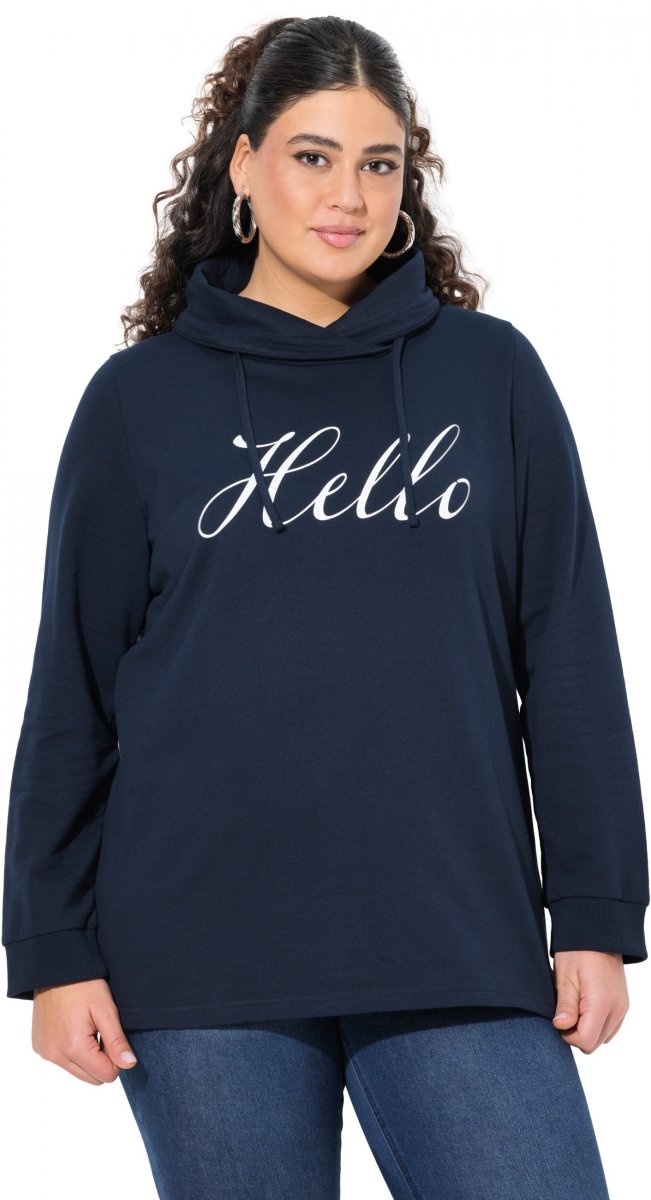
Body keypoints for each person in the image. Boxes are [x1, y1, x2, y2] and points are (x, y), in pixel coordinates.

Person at [2, 14, 648, 1199]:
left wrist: (598, 912)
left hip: (455, 933)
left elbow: (568, 657)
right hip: (198, 957)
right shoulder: (139, 402)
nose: (347, 195)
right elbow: (74, 691)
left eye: (378, 162)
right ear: (244, 166)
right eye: (313, 156)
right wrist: (50, 950)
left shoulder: (491, 376)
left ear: (408, 181)